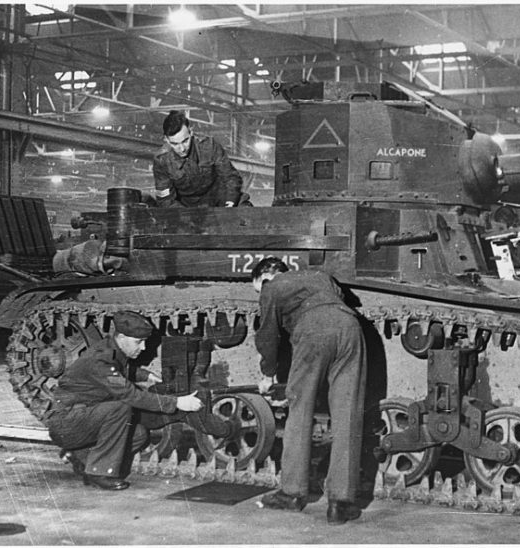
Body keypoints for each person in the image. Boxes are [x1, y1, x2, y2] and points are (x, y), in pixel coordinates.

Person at [252, 257, 366, 525]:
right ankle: (341, 503)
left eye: (257, 289)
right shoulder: (319, 276)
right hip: (350, 328)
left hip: (313, 330)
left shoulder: (272, 286)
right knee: (348, 413)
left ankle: (292, 493)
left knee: (300, 408)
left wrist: (268, 374)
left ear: (265, 277)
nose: (260, 294)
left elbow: (268, 335)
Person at [44, 310, 208, 491]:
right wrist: (177, 403)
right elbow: (129, 394)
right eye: (138, 342)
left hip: (82, 417)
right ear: (121, 336)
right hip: (65, 423)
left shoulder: (111, 349)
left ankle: (82, 457)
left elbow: (117, 370)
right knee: (121, 408)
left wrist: (146, 375)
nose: (144, 347)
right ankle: (99, 472)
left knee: (138, 435)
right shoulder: (100, 360)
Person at [152, 110, 246, 208]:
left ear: (191, 132)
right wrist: (187, 217)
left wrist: (229, 204)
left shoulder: (209, 146)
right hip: (186, 208)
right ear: (166, 140)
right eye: (175, 144)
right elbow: (166, 200)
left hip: (219, 201)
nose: (182, 148)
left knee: (245, 210)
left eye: (185, 141)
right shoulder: (162, 160)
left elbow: (231, 177)